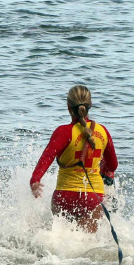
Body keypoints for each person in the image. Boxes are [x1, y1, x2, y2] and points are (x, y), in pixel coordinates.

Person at [30, 85, 118, 233]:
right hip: (93, 197)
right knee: (86, 245)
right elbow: (113, 165)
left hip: (64, 196)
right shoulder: (103, 132)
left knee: (61, 243)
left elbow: (47, 157)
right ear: (90, 105)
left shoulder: (63, 132)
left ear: (68, 107)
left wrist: (35, 180)